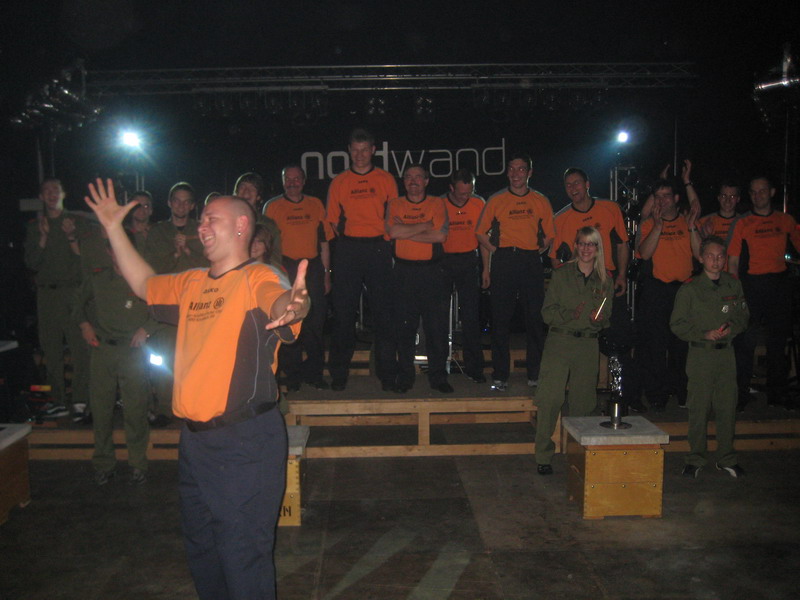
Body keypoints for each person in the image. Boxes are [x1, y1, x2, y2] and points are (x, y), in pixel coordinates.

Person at [84, 178, 308, 600]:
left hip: (244, 443)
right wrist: (114, 228)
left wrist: (294, 305)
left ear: (241, 225)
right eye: (201, 220)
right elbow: (144, 284)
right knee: (204, 552)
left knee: (243, 557)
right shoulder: (190, 283)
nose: (201, 226)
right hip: (195, 443)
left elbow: (282, 301)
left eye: (211, 219)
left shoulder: (258, 277)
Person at [74, 230, 164, 485]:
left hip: (132, 352)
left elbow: (164, 306)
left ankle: (138, 464)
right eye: (113, 249)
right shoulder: (98, 278)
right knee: (101, 410)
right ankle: (104, 464)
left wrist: (147, 329)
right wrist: (85, 325)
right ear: (108, 252)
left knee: (135, 411)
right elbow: (77, 304)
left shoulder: (145, 279)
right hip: (103, 350)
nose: (117, 254)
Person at [552, 167, 639, 410]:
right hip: (580, 289)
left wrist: (621, 275)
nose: (573, 188)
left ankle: (625, 398)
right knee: (583, 341)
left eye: (577, 183)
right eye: (568, 185)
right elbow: (555, 260)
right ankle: (581, 400)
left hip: (608, 283)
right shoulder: (560, 218)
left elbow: (622, 244)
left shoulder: (609, 208)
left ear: (587, 184)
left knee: (620, 340)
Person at [534, 227, 613, 475]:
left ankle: (578, 455)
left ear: (598, 249)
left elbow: (606, 317)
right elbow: (547, 313)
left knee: (583, 402)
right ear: (576, 246)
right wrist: (571, 314)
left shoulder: (605, 280)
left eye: (591, 244)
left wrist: (597, 320)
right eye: (582, 243)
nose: (586, 249)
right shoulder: (561, 275)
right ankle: (543, 455)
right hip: (560, 341)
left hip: (587, 344)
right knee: (550, 399)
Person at [326, 127, 399, 392]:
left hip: (378, 249)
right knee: (343, 314)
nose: (359, 155)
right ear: (349, 151)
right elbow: (332, 220)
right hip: (349, 250)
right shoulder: (340, 182)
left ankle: (387, 374)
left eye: (364, 150)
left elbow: (394, 214)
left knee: (384, 314)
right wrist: (350, 240)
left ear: (373, 151)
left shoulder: (386, 179)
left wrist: (381, 240)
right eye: (355, 150)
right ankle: (339, 374)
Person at [670, 236, 749, 478]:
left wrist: (730, 328)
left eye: (720, 257)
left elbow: (743, 317)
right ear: (701, 258)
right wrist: (703, 334)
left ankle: (726, 458)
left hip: (726, 354)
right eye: (711, 256)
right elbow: (677, 324)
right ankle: (695, 458)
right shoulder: (690, 288)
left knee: (727, 407)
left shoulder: (732, 285)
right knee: (699, 407)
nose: (716, 261)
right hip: (701, 355)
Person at [476, 153, 555, 391]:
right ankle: (500, 375)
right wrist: (497, 251)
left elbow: (549, 235)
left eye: (521, 169)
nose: (516, 173)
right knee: (500, 320)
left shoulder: (540, 200)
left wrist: (533, 252)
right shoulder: (497, 199)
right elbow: (480, 232)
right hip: (504, 261)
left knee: (535, 319)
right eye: (512, 169)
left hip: (530, 261)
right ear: (507, 172)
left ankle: (535, 373)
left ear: (529, 173)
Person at [728, 176, 800, 409]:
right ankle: (740, 395)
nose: (758, 195)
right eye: (753, 192)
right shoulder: (742, 223)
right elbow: (733, 260)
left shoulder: (785, 220)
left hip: (779, 285)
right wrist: (735, 291)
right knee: (745, 342)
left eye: (762, 191)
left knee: (777, 343)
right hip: (751, 286)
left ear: (772, 192)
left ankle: (777, 395)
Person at [23, 177, 90, 419]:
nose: (52, 194)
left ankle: (80, 400)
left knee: (79, 348)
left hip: (72, 293)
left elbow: (86, 260)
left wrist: (71, 236)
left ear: (63, 194)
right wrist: (42, 237)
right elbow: (31, 263)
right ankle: (58, 400)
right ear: (41, 196)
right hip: (47, 295)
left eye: (56, 190)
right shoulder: (35, 226)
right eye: (47, 191)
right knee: (50, 350)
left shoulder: (77, 222)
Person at [264, 164, 333, 390]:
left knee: (315, 324)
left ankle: (314, 374)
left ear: (303, 181)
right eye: (288, 179)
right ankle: (292, 376)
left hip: (312, 269)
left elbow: (324, 243)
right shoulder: (272, 207)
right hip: (285, 269)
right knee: (288, 321)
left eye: (296, 179)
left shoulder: (315, 204)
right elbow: (266, 245)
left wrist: (326, 275)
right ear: (283, 181)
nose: (292, 183)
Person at [635, 178, 701, 411]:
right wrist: (658, 226)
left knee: (681, 344)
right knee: (655, 344)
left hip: (683, 290)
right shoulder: (648, 224)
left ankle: (681, 390)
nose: (662, 200)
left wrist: (692, 227)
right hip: (657, 290)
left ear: (676, 198)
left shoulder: (687, 221)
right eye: (658, 196)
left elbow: (700, 254)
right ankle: (656, 393)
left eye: (666, 196)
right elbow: (643, 253)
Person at [387, 165, 452, 393]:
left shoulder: (437, 204)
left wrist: (406, 229)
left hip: (432, 274)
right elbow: (393, 233)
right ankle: (405, 377)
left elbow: (440, 236)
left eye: (418, 177)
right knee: (404, 329)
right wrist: (424, 226)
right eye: (408, 177)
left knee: (436, 329)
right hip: (403, 274)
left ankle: (438, 378)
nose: (413, 181)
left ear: (426, 181)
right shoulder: (395, 204)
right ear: (403, 181)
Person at [441, 168, 489, 383]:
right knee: (440, 315)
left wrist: (486, 268)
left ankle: (474, 368)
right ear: (451, 188)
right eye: (461, 194)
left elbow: (483, 238)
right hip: (444, 262)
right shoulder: (440, 204)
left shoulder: (478, 203)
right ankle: (439, 365)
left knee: (471, 316)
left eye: (469, 192)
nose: (465, 197)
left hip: (469, 261)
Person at [233, 172, 283, 266]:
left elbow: (275, 258)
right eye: (242, 187)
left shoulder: (268, 224)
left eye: (252, 188)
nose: (246, 191)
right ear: (236, 193)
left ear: (258, 196)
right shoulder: (226, 222)